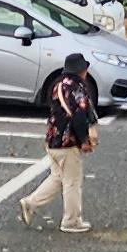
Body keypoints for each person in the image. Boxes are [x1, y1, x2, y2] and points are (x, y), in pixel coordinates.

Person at [22, 52, 102, 232]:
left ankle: (31, 203)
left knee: (58, 177)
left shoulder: (58, 85)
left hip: (53, 140)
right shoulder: (78, 89)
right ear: (82, 70)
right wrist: (84, 141)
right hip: (68, 143)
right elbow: (79, 117)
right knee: (72, 181)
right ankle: (71, 221)